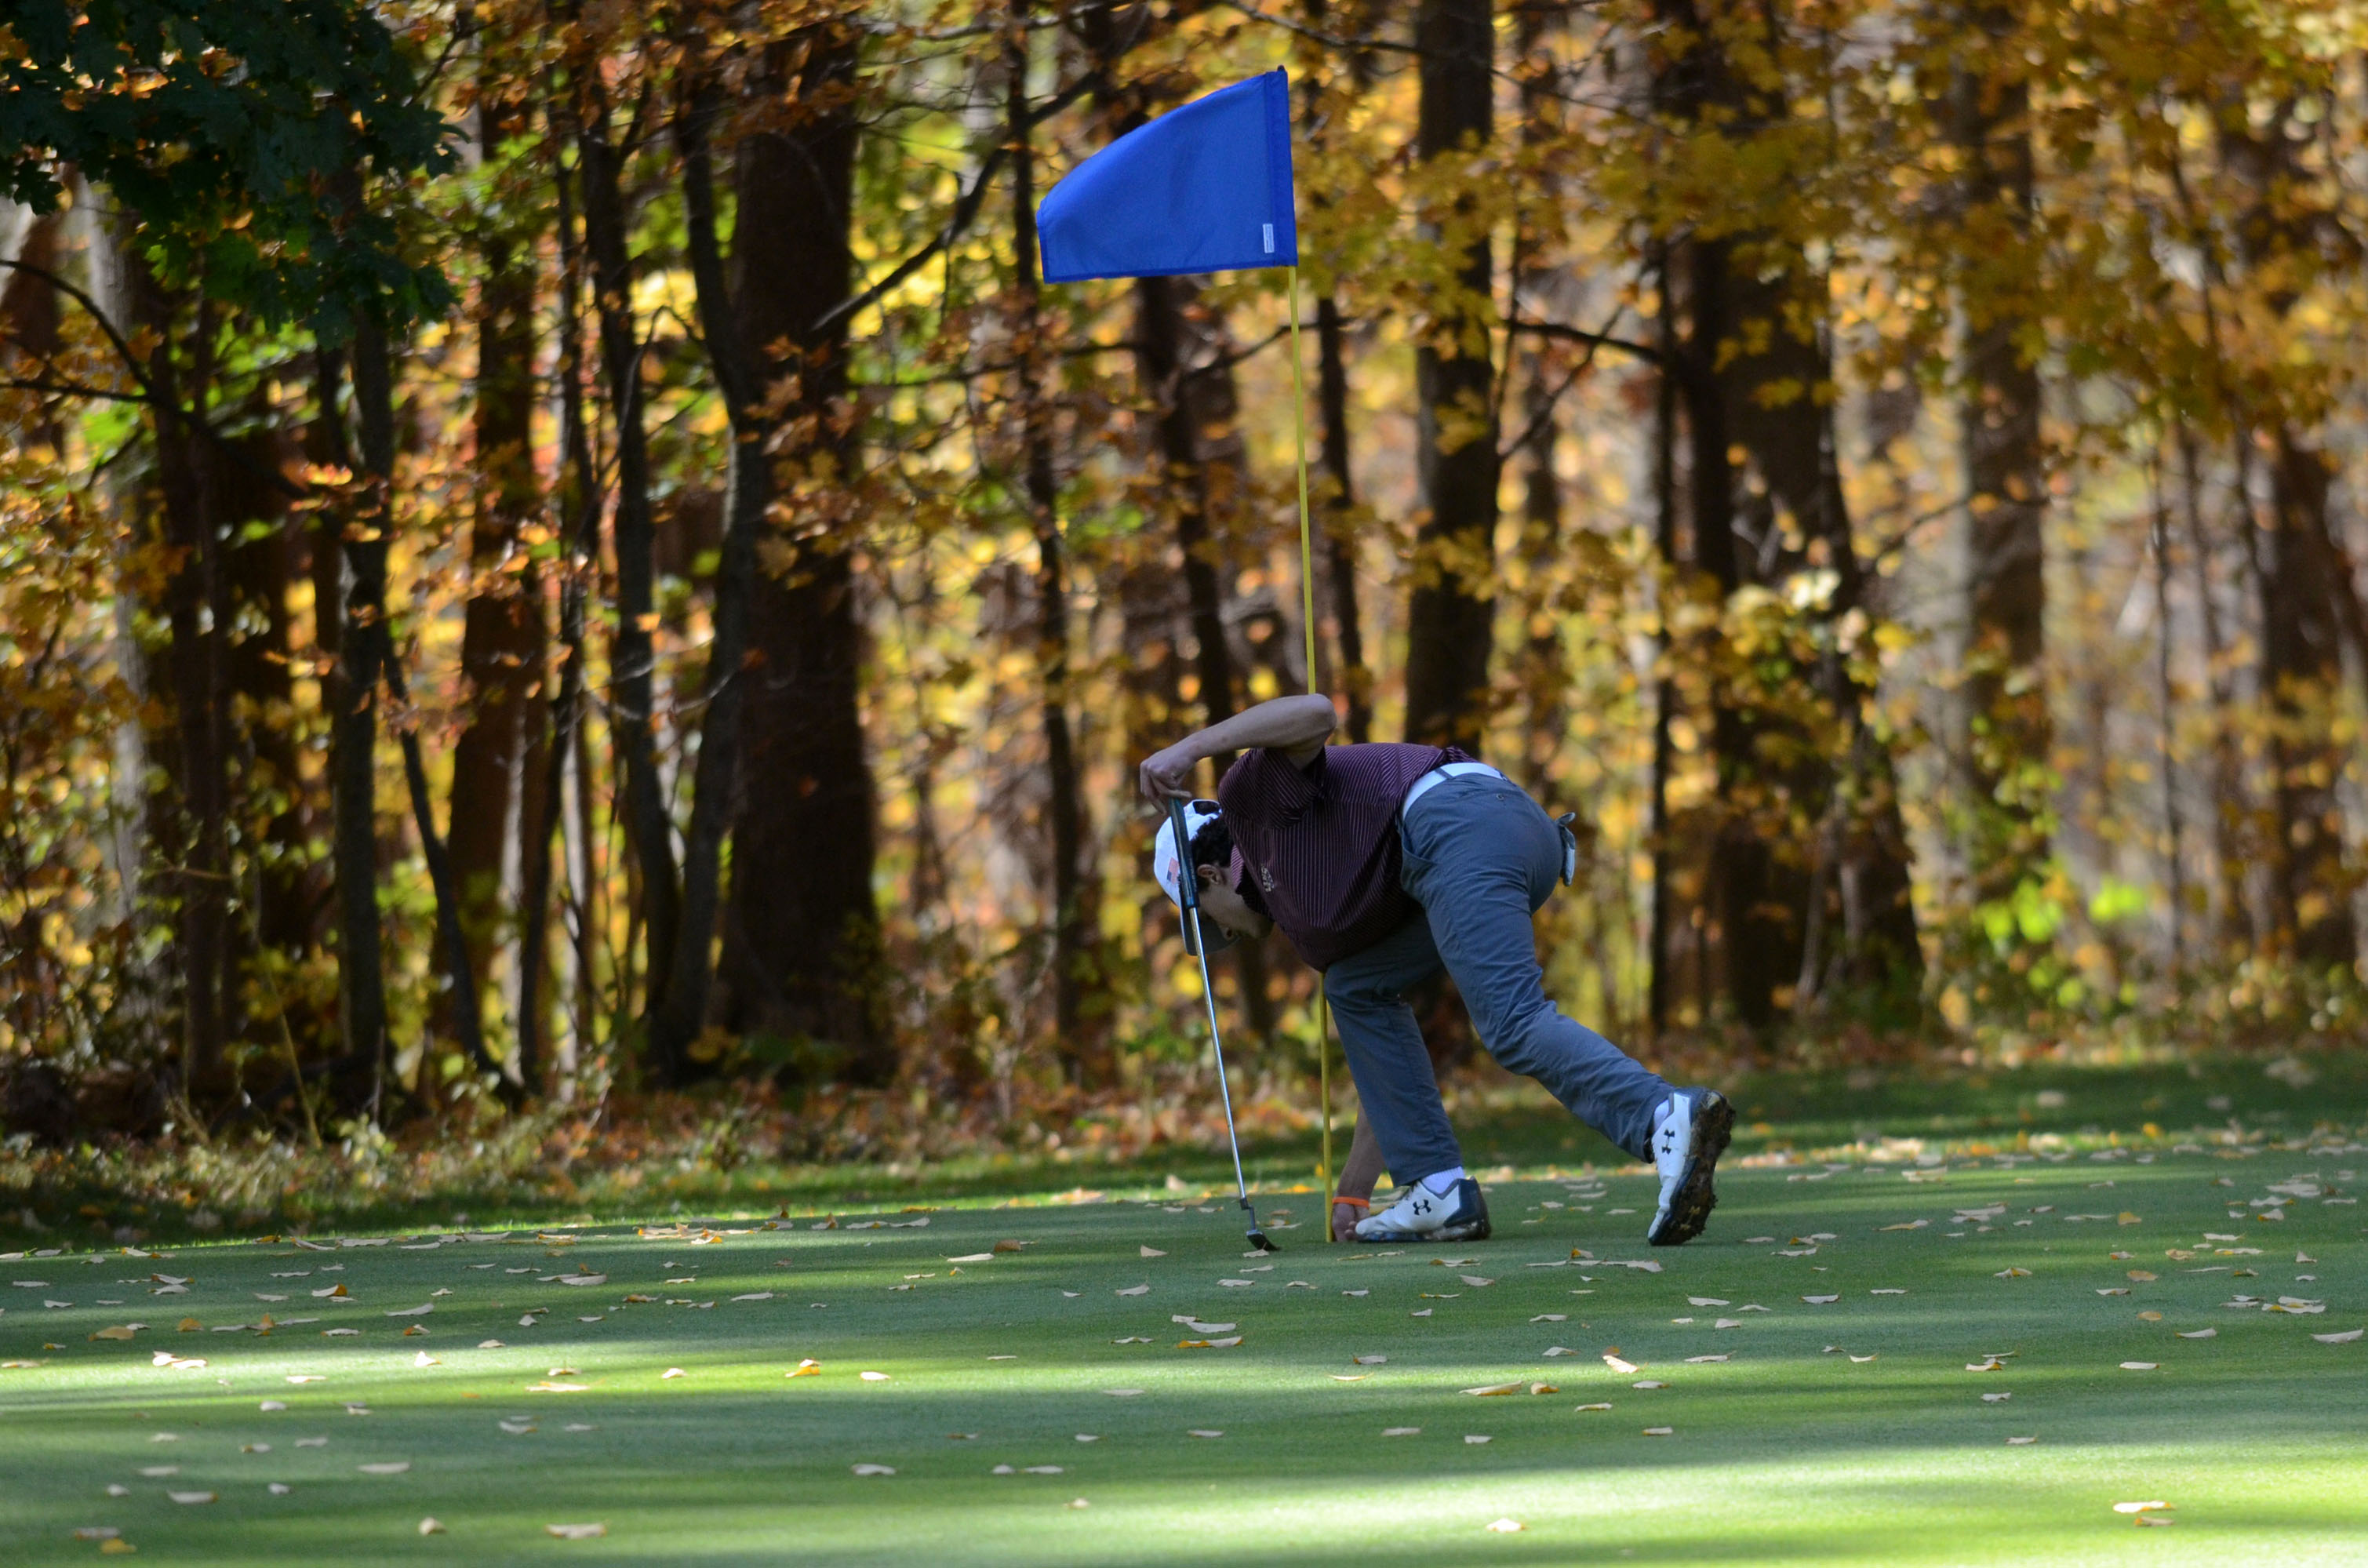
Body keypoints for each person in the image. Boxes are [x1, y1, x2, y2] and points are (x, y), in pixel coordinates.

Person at [1142, 693, 1730, 1246]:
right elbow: (1381, 1048)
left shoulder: (1251, 804)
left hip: (1457, 821)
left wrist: (1190, 748)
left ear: (1211, 877)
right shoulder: (1304, 911)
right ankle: (1436, 1189)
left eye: (1208, 920)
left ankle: (1661, 1117)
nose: (1224, 937)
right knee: (1355, 987)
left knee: (1511, 1023)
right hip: (1500, 832)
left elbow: (1316, 711)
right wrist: (1353, 1184)